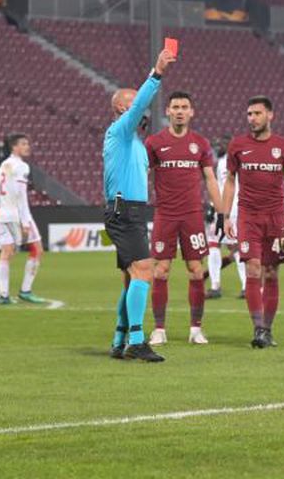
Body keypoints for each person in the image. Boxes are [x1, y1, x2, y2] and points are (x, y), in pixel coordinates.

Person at [103, 46, 175, 362]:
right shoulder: (119, 131)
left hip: (131, 210)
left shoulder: (136, 143)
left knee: (134, 275)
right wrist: (157, 72)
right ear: (120, 108)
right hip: (124, 210)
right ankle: (136, 339)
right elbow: (140, 106)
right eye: (132, 105)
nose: (140, 111)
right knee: (145, 271)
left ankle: (121, 339)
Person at [223, 96, 284, 348]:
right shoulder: (237, 146)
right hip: (248, 216)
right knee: (253, 269)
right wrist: (226, 215)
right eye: (249, 114)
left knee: (271, 271)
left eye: (257, 113)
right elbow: (230, 181)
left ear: (270, 115)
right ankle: (258, 329)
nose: (252, 118)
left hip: (275, 217)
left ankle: (267, 329)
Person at [146, 91, 223, 346]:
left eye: (184, 107)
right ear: (168, 111)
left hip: (192, 215)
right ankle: (159, 329)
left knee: (195, 270)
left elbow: (210, 179)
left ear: (192, 112)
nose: (180, 111)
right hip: (165, 214)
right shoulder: (155, 143)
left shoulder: (200, 144)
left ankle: (196, 329)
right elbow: (142, 172)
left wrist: (220, 210)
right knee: (161, 270)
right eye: (175, 107)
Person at [0, 133, 45, 305]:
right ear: (14, 147)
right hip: (18, 214)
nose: (27, 146)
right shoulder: (21, 166)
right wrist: (25, 222)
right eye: (23, 144)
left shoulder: (3, 165)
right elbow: (20, 195)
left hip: (3, 213)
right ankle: (25, 290)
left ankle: (4, 295)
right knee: (37, 249)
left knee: (6, 253)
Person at [211, 135, 247, 299]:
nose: (219, 146)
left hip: (228, 210)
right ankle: (218, 285)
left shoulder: (228, 162)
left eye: (223, 144)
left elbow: (225, 187)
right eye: (219, 144)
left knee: (229, 247)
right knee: (224, 246)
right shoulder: (226, 161)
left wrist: (217, 209)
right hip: (226, 210)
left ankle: (217, 286)